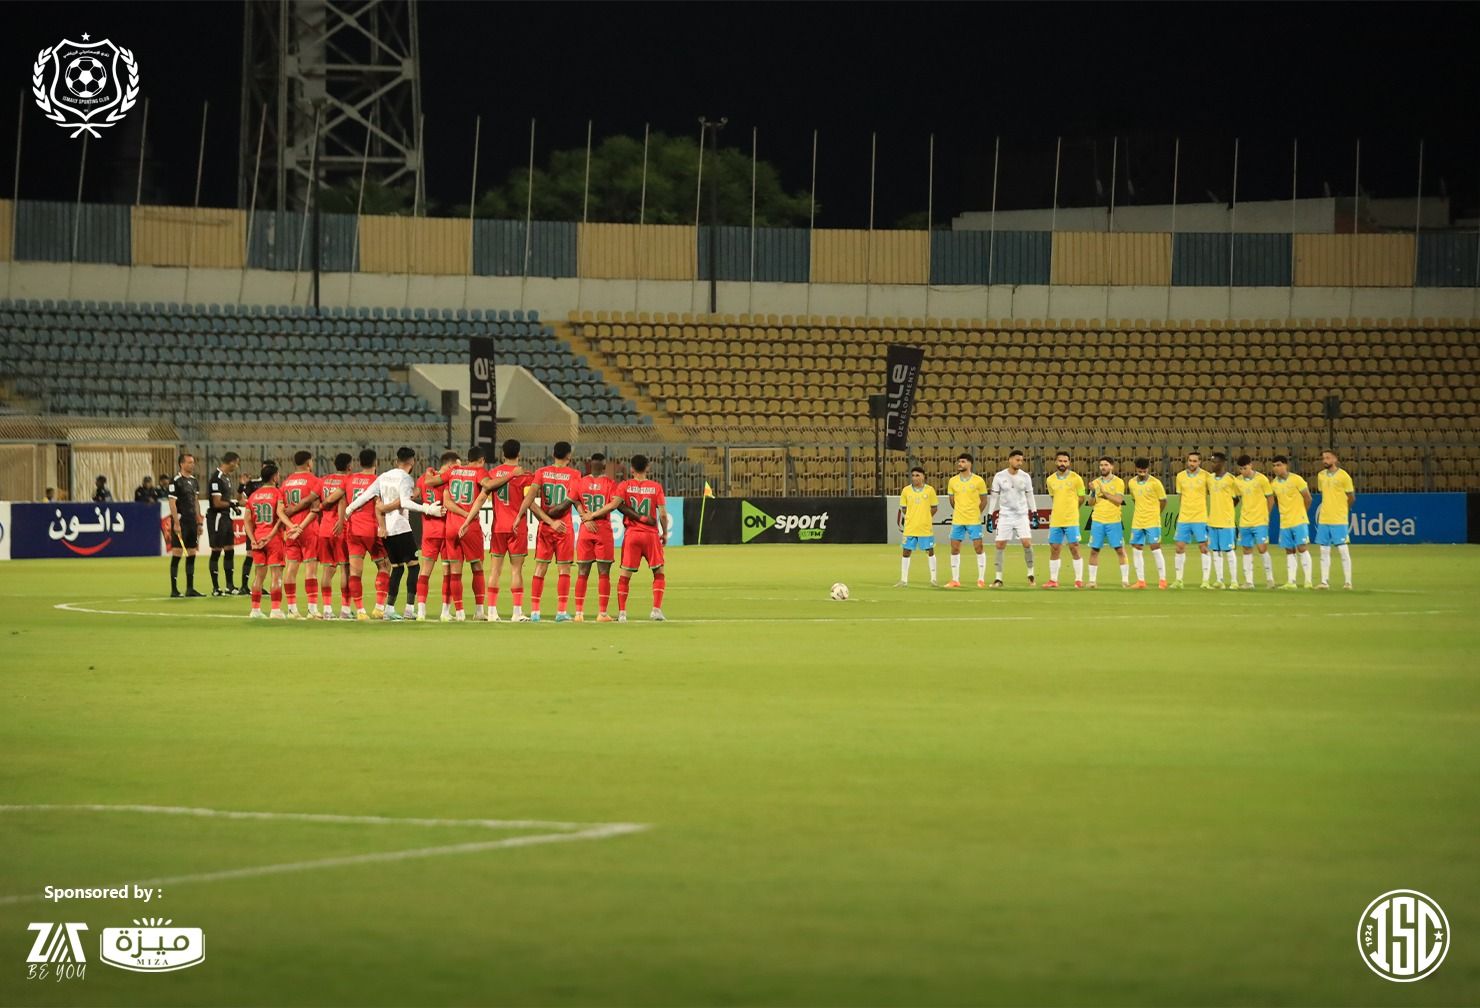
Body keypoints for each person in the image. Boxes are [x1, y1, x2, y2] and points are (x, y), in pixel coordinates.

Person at [344, 447, 444, 620]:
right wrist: (427, 509)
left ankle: (389, 609)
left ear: (397, 461)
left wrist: (349, 509)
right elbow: (405, 503)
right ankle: (409, 609)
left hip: (387, 531)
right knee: (414, 566)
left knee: (397, 569)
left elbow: (366, 496)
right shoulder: (406, 478)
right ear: (412, 461)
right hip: (401, 528)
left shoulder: (383, 476)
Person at [515, 440, 585, 622]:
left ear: (553, 454)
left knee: (540, 568)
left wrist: (521, 516)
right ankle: (561, 612)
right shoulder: (575, 474)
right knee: (564, 570)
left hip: (546, 527)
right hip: (564, 527)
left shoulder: (541, 472)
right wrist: (585, 516)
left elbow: (529, 500)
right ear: (569, 456)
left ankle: (535, 612)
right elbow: (576, 500)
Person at [483, 440, 533, 621]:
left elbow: (485, 490)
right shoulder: (525, 476)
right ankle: (517, 613)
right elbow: (530, 500)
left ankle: (491, 612)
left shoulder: (493, 473)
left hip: (498, 527)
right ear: (519, 454)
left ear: (502, 454)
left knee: (494, 571)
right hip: (517, 527)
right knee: (516, 571)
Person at [614, 453, 668, 622]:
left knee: (625, 574)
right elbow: (663, 514)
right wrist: (665, 532)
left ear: (631, 469)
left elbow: (617, 505)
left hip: (632, 534)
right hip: (651, 535)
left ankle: (622, 613)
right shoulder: (656, 487)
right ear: (648, 468)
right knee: (658, 572)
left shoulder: (624, 485)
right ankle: (656, 610)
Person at [441, 448, 491, 622]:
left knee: (455, 571)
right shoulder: (479, 472)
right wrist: (467, 517)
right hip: (470, 526)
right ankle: (479, 611)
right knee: (477, 567)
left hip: (451, 526)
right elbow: (486, 489)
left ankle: (460, 612)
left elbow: (446, 501)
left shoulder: (453, 471)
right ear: (481, 460)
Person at [572, 452, 621, 620]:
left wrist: (584, 517)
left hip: (585, 529)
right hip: (602, 529)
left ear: (590, 464)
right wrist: (592, 516)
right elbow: (613, 504)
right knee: (604, 572)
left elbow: (575, 500)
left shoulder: (580, 481)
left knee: (582, 571)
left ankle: (579, 613)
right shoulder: (610, 483)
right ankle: (602, 613)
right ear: (604, 465)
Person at [343, 449, 388, 619]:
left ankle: (360, 611)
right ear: (375, 462)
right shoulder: (378, 481)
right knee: (384, 566)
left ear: (359, 462)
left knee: (355, 572)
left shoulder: (350, 479)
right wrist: (383, 527)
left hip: (354, 530)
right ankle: (379, 608)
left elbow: (340, 499)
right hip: (373, 530)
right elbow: (379, 506)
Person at [279, 451, 322, 619]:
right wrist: (301, 528)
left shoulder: (286, 483)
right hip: (308, 529)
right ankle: (312, 609)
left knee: (291, 569)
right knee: (311, 569)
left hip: (290, 530)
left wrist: (291, 528)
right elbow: (315, 509)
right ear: (308, 463)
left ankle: (292, 609)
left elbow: (281, 510)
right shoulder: (314, 481)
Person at [414, 452, 457, 621]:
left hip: (429, 532)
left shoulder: (423, 478)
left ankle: (421, 611)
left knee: (425, 571)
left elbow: (414, 495)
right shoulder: (448, 480)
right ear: (449, 465)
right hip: (446, 532)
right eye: (456, 465)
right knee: (448, 573)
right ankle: (445, 612)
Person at [990, 450, 1039, 587]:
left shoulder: (1025, 477)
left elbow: (1030, 495)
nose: (1020, 463)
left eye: (1021, 460)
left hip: (1021, 515)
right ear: (1010, 460)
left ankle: (1031, 574)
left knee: (1027, 543)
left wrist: (1034, 512)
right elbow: (994, 496)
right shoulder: (999, 476)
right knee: (999, 545)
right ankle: (998, 578)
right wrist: (989, 514)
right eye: (1017, 460)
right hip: (1005, 515)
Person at [244, 463, 287, 619]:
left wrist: (252, 540)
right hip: (273, 539)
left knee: (258, 576)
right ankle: (275, 610)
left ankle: (255, 610)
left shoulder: (253, 496)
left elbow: (247, 520)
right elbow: (280, 516)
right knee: (276, 575)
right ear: (274, 477)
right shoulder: (278, 493)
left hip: (257, 539)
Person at [315, 453, 354, 619]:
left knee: (327, 570)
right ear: (349, 466)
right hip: (340, 528)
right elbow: (342, 500)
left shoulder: (324, 480)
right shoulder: (348, 480)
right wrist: (340, 520)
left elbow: (314, 499)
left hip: (324, 529)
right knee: (346, 568)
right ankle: (345, 609)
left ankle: (327, 609)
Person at [944, 453, 989, 588]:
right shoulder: (952, 481)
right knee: (954, 548)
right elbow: (952, 501)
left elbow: (984, 500)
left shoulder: (978, 481)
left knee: (978, 547)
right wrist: (960, 511)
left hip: (973, 520)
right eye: (959, 462)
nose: (960, 464)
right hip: (958, 520)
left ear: (970, 464)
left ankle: (981, 579)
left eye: (963, 461)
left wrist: (976, 513)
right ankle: (955, 579)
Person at [1270, 455, 1315, 589]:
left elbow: (1308, 498)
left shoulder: (1297, 479)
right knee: (1289, 550)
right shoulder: (1274, 484)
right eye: (1274, 466)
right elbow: (1276, 501)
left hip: (1298, 520)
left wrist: (1301, 513)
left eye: (1278, 465)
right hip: (1285, 522)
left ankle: (1308, 581)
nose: (1276, 468)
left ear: (1286, 465)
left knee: (1302, 548)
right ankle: (1291, 581)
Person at [1085, 457, 1129, 589]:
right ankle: (1092, 581)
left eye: (1106, 465)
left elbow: (1119, 500)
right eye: (1101, 465)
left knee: (1120, 550)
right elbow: (1091, 503)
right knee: (1094, 550)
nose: (1103, 467)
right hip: (1098, 520)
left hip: (1114, 521)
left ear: (1112, 467)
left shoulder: (1118, 482)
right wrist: (1093, 492)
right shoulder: (1095, 482)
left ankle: (1125, 580)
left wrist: (1105, 494)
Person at [1315, 449, 1356, 589]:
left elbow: (1351, 497)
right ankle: (1324, 581)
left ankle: (1348, 582)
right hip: (1324, 518)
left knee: (1343, 550)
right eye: (1323, 458)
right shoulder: (1321, 475)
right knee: (1324, 550)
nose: (1324, 460)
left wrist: (1343, 510)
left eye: (1327, 458)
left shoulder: (1344, 476)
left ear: (1335, 459)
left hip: (1339, 519)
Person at [1043, 452, 1084, 590]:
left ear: (1069, 462)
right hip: (1056, 520)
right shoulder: (1050, 480)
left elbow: (1081, 497)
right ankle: (1053, 580)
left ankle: (1078, 579)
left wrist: (1071, 509)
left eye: (1065, 461)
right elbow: (1053, 497)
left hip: (1071, 519)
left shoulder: (1076, 478)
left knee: (1074, 547)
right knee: (1054, 548)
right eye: (1060, 461)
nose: (1062, 463)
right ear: (1056, 462)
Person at [1234, 455, 1276, 589]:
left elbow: (1270, 499)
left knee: (1262, 548)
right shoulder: (1237, 481)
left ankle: (1270, 579)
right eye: (1241, 469)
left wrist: (1266, 515)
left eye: (1245, 468)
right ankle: (1249, 581)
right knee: (1246, 549)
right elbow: (1235, 498)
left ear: (1251, 465)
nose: (1243, 471)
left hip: (1260, 520)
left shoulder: (1262, 479)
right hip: (1245, 520)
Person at [1173, 451, 1213, 588]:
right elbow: (1180, 497)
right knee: (1179, 547)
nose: (1192, 463)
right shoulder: (1180, 476)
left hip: (1200, 517)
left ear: (1199, 462)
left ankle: (1205, 581)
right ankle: (1179, 580)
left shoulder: (1206, 476)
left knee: (1204, 547)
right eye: (1190, 460)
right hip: (1184, 518)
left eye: (1195, 461)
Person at [1127, 459, 1168, 589]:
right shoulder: (1131, 483)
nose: (1142, 472)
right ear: (1136, 469)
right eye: (1140, 469)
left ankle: (1162, 580)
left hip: (1152, 521)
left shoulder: (1155, 483)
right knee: (1136, 548)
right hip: (1137, 521)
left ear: (1148, 469)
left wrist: (1156, 513)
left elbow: (1163, 501)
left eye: (1144, 469)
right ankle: (1141, 581)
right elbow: (1135, 499)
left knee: (1155, 548)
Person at [895, 466, 939, 587]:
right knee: (906, 552)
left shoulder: (929, 490)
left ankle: (933, 579)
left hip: (925, 528)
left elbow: (934, 508)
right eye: (913, 475)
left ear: (923, 477)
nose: (914, 478)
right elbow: (904, 508)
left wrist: (925, 517)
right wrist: (912, 517)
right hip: (910, 528)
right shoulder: (906, 491)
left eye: (917, 475)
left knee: (930, 551)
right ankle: (903, 580)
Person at [166, 453, 203, 598]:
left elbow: (195, 502)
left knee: (192, 553)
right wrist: (176, 523)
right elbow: (172, 503)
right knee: (177, 553)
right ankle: (174, 589)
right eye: (189, 462)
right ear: (181, 464)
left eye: (193, 462)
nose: (192, 465)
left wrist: (199, 521)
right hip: (181, 521)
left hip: (192, 522)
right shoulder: (175, 481)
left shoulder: (194, 481)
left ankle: (190, 588)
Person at [206, 452, 241, 596]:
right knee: (216, 550)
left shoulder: (226, 478)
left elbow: (225, 501)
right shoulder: (217, 478)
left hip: (226, 517)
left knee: (229, 549)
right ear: (231, 462)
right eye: (236, 463)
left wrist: (233, 506)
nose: (237, 466)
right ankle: (216, 588)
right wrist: (232, 504)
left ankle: (230, 586)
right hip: (217, 518)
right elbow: (217, 503)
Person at [237, 460, 275, 592]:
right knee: (251, 554)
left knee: (266, 557)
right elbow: (240, 501)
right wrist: (241, 486)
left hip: (269, 527)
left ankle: (259, 586)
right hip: (255, 526)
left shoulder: (275, 487)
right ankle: (244, 586)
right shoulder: (253, 485)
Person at [1204, 452, 1240, 589]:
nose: (1212, 464)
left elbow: (1236, 498)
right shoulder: (1209, 479)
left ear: (1222, 463)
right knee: (1215, 551)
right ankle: (1219, 579)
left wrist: (1227, 509)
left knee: (1229, 551)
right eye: (1212, 462)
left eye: (1215, 462)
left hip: (1226, 522)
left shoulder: (1230, 479)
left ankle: (1234, 581)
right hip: (1212, 521)